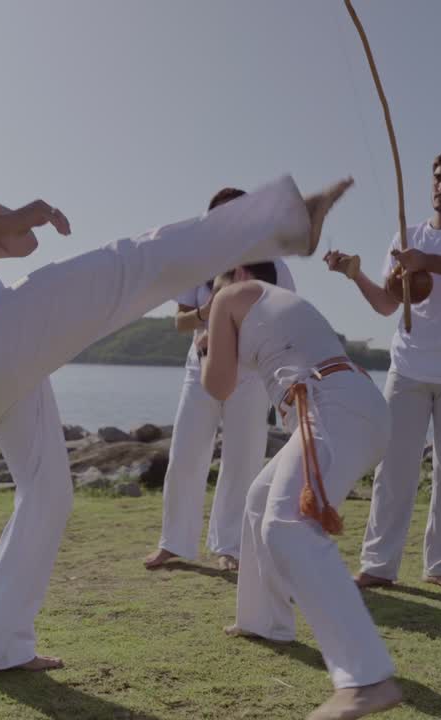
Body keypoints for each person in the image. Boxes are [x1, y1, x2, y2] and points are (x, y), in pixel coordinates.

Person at [0, 89, 354, 676]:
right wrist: (1, 217)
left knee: (48, 494)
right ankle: (285, 221)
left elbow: (20, 243)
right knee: (130, 262)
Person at [199, 264, 402, 719]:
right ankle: (264, 621)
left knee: (288, 525)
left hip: (330, 405)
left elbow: (218, 384)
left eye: (212, 293)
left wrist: (207, 345)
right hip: (346, 402)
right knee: (258, 501)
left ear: (239, 272)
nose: (210, 304)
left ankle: (366, 678)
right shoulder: (279, 308)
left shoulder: (235, 294)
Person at [323, 145, 441, 593]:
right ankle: (377, 565)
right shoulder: (405, 236)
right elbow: (389, 304)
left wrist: (426, 261)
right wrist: (356, 274)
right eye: (438, 177)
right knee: (394, 469)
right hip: (407, 367)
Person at [144, 187, 295, 573]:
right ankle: (174, 542)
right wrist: (207, 312)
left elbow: (282, 322)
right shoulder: (197, 262)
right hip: (201, 366)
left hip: (250, 373)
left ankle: (230, 546)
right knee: (185, 454)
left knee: (242, 459)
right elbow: (179, 321)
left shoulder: (273, 265)